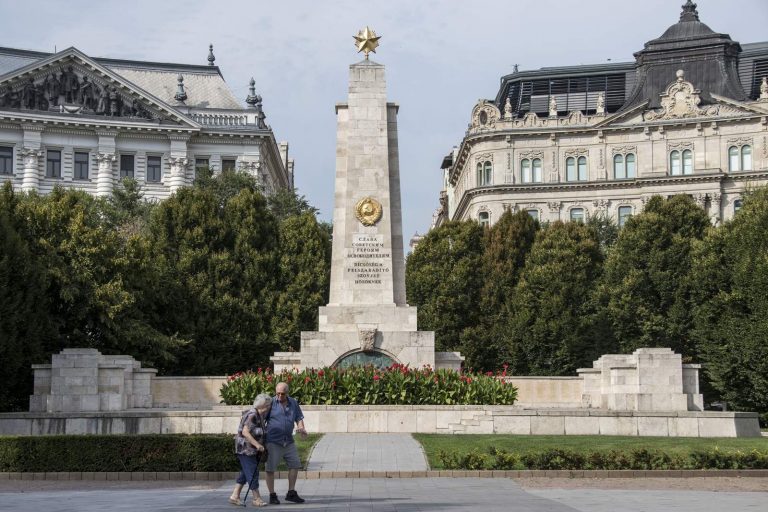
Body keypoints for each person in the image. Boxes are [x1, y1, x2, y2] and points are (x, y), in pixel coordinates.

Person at [265, 382, 308, 504]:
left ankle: (291, 493)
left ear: (287, 393)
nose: (279, 396)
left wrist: (301, 428)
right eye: (277, 393)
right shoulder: (270, 403)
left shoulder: (293, 402)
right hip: (273, 441)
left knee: (295, 465)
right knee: (270, 469)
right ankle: (272, 495)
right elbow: (261, 419)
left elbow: (299, 418)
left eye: (282, 394)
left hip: (288, 441)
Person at [229, 393, 271, 507]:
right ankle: (256, 498)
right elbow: (245, 432)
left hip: (250, 449)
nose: (270, 407)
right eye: (269, 404)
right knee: (253, 473)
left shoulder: (259, 415)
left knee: (245, 472)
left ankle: (235, 496)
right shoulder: (253, 415)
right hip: (246, 449)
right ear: (265, 405)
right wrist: (257, 445)